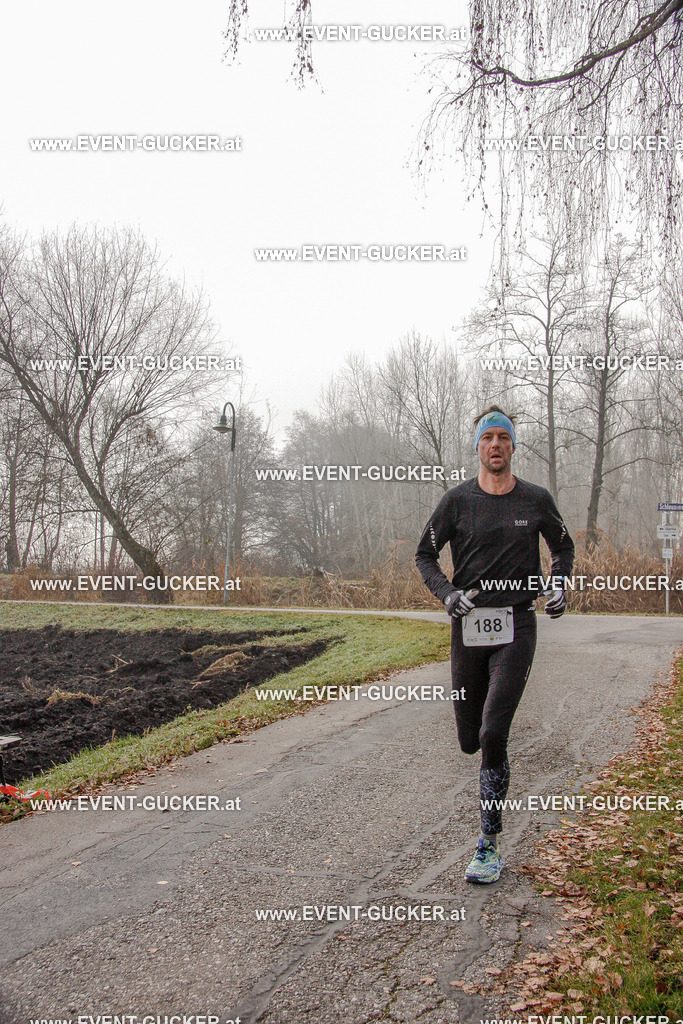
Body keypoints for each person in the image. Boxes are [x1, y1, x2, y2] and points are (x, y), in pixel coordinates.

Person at [415, 406, 575, 883]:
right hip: (468, 628)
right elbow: (424, 554)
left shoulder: (536, 500)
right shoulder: (457, 502)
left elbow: (563, 546)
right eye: (489, 438)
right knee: (469, 740)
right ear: (478, 446)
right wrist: (448, 595)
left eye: (504, 438)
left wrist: (559, 583)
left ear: (513, 446)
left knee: (491, 732)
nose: (496, 445)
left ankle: (488, 844)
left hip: (516, 626)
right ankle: (485, 779)